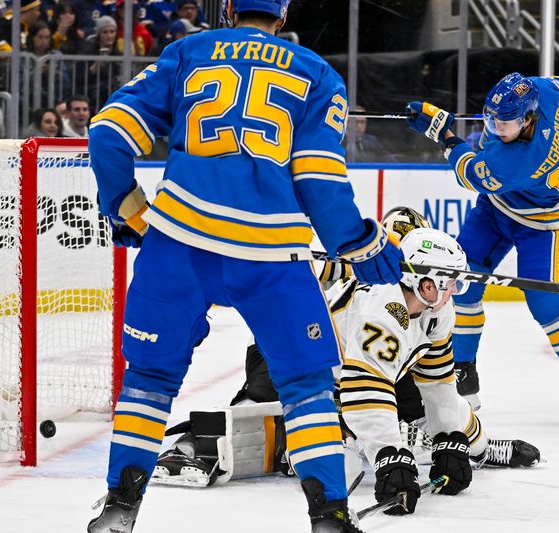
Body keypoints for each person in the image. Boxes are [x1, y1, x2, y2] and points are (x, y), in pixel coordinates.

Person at [86, 1, 403, 532]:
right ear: (281, 16)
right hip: (269, 255)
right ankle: (328, 515)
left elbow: (109, 132)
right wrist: (362, 245)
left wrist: (127, 205)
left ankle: (120, 506)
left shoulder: (188, 51)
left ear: (230, 8)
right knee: (306, 385)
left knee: (148, 379)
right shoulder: (316, 73)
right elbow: (320, 184)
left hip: (179, 243)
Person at [154, 215, 541, 516]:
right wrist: (390, 454)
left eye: (454, 283)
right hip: (297, 359)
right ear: (418, 279)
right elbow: (364, 387)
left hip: (365, 370)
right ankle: (197, 445)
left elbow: (438, 381)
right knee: (257, 416)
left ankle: (481, 447)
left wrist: (449, 440)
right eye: (445, 282)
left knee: (454, 413)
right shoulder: (384, 309)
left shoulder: (437, 310)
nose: (452, 291)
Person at [404, 73, 559, 425]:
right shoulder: (542, 91)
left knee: (545, 303)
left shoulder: (520, 159)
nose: (496, 127)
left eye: (506, 122)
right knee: (462, 285)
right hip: (495, 209)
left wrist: (444, 134)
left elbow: (470, 173)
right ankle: (464, 371)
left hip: (541, 222)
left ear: (528, 118)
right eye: (491, 117)